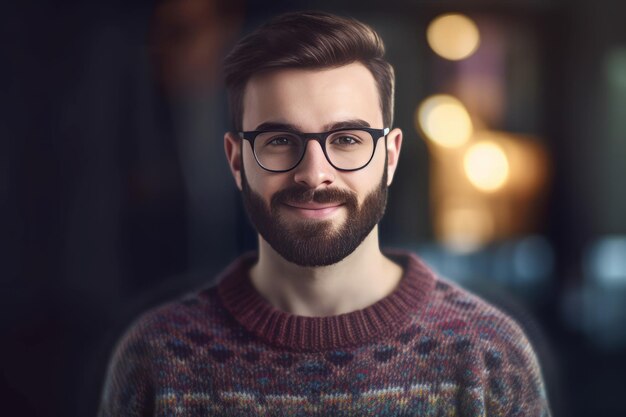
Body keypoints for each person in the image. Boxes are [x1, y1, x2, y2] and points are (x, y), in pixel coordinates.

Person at [98, 11, 551, 416]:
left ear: (390, 157)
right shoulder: (156, 357)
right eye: (279, 141)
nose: (315, 175)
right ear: (237, 161)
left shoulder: (489, 354)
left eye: (347, 140)